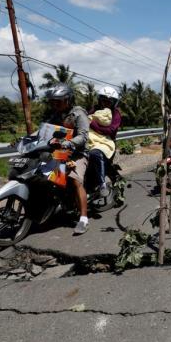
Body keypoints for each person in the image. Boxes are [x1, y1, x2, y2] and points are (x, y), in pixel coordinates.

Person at [46, 84, 90, 235]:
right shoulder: (56, 115)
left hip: (78, 153)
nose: (55, 104)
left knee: (74, 179)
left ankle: (83, 218)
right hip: (60, 152)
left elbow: (83, 136)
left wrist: (69, 143)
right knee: (46, 174)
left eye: (59, 101)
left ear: (68, 100)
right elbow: (45, 130)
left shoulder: (78, 113)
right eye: (53, 101)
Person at [88, 86, 122, 197]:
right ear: (99, 100)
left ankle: (102, 184)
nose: (106, 104)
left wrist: (93, 124)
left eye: (109, 102)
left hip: (107, 143)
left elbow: (110, 131)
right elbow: (85, 119)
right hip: (90, 139)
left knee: (95, 154)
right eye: (104, 100)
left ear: (114, 103)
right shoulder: (94, 109)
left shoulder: (116, 114)